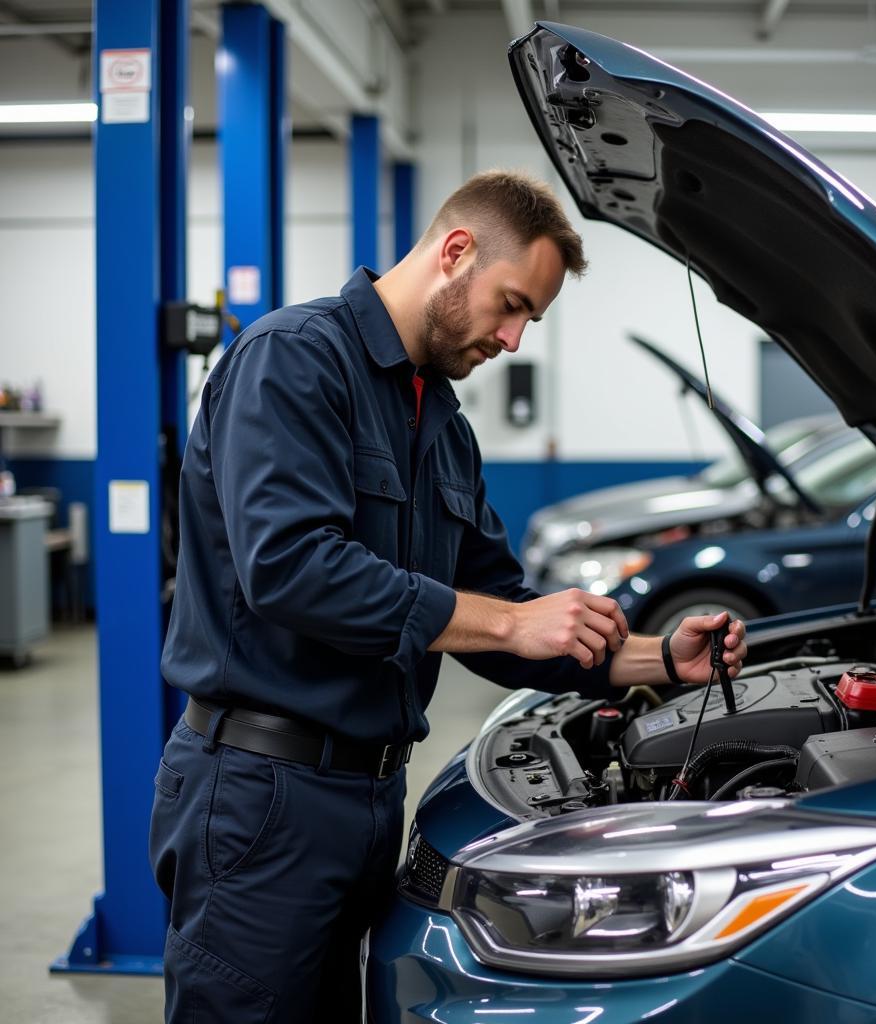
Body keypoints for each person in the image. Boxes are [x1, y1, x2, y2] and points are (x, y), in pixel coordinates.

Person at [150, 170, 747, 1022]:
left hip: (369, 798)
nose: (510, 339)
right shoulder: (294, 360)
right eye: (510, 305)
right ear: (455, 252)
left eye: (528, 321)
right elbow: (289, 566)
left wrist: (655, 658)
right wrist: (508, 618)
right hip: (261, 795)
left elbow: (499, 604)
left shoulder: (441, 424)